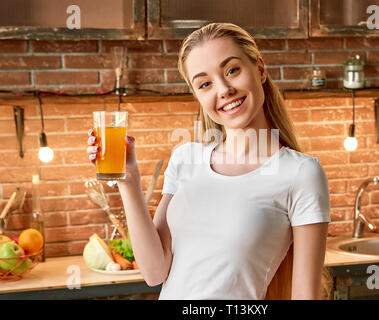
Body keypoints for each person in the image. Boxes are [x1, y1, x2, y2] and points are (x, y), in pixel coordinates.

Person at [87, 22, 330, 300]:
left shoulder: (300, 173)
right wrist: (128, 181)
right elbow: (154, 272)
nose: (224, 89)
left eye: (232, 70)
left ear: (260, 69)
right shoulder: (186, 158)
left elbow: (305, 297)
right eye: (205, 84)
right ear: (198, 96)